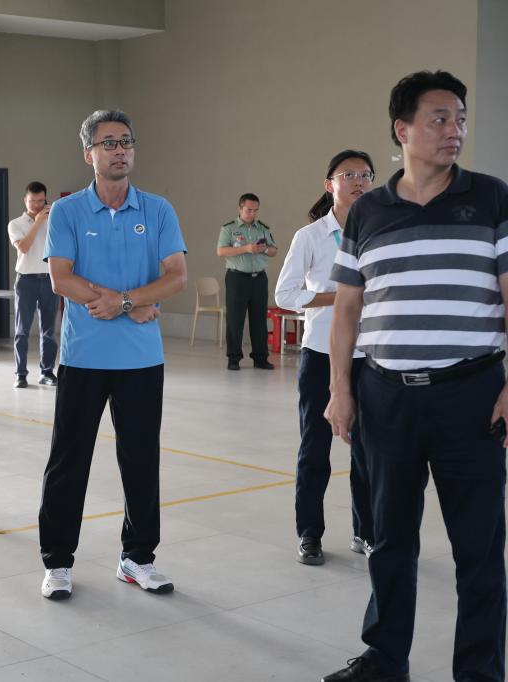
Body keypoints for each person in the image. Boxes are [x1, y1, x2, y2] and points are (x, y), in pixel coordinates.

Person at [323, 70, 508, 682]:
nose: (455, 130)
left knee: (478, 547)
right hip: (386, 397)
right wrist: (341, 390)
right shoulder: (368, 212)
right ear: (401, 130)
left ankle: (479, 670)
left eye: (460, 119)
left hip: (471, 396)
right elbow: (347, 310)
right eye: (440, 118)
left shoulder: (491, 198)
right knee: (389, 538)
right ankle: (385, 658)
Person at [38, 109, 187, 600]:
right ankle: (58, 562)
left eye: (126, 141)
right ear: (89, 154)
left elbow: (176, 276)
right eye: (108, 143)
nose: (119, 150)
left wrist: (124, 302)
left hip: (141, 359)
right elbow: (61, 278)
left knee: (141, 460)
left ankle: (138, 557)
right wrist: (134, 304)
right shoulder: (67, 212)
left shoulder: (158, 210)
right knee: (69, 461)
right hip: (83, 357)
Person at [275, 150, 376, 567]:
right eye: (348, 174)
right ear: (329, 184)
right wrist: (340, 296)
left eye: (365, 175)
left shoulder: (381, 231)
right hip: (321, 354)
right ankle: (310, 534)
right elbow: (286, 294)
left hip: (371, 356)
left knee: (368, 451)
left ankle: (366, 532)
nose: (358, 181)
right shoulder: (311, 236)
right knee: (315, 450)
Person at [8, 181, 60, 388]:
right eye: (32, 201)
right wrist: (38, 222)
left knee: (49, 330)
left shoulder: (53, 221)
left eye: (41, 201)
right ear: (25, 200)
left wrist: (50, 218)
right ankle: (20, 374)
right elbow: (23, 247)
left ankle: (47, 372)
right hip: (26, 281)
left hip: (49, 279)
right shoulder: (15, 224)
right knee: (22, 330)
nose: (37, 205)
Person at [217, 193, 278, 370]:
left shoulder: (263, 228)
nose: (252, 214)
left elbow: (274, 251)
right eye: (249, 210)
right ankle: (234, 358)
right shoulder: (229, 228)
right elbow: (221, 251)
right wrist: (246, 248)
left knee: (259, 319)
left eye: (255, 210)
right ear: (240, 208)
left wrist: (264, 249)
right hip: (237, 278)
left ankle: (260, 358)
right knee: (235, 320)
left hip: (259, 278)